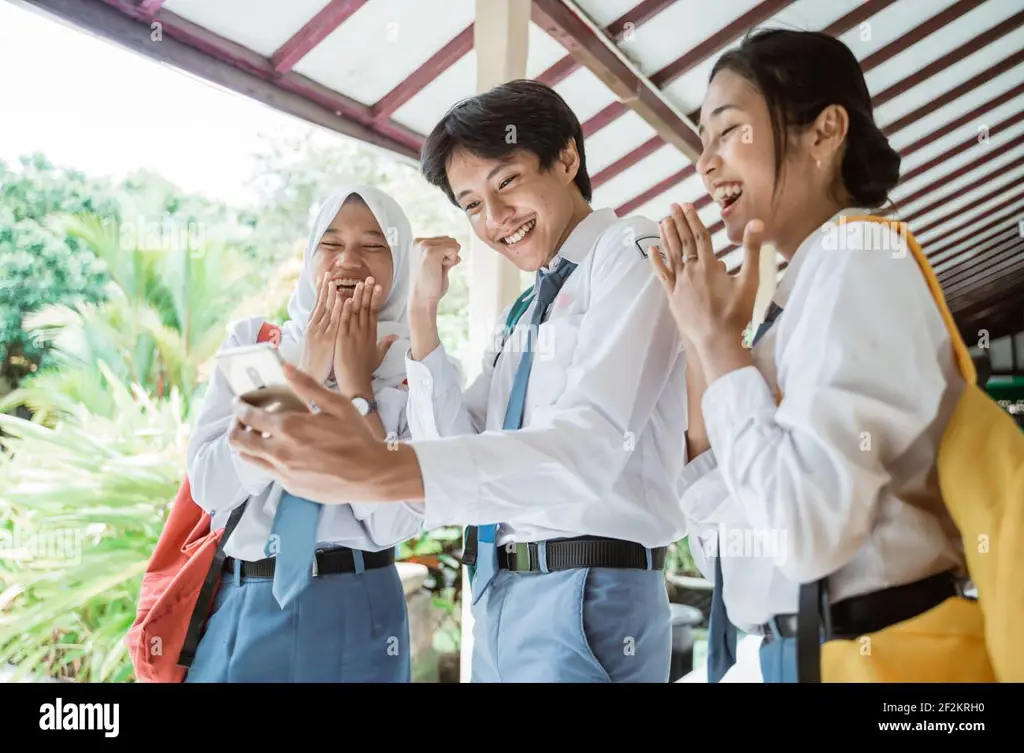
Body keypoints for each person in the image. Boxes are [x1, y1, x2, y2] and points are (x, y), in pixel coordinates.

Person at [227, 79, 690, 683]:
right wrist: (420, 316)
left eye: (506, 182)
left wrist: (365, 415)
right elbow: (220, 484)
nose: (495, 219)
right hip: (483, 591)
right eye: (471, 205)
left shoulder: (631, 252)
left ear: (568, 158)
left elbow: (585, 447)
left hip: (578, 587)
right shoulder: (253, 346)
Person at [648, 28, 968, 683]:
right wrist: (699, 338)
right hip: (798, 653)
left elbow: (802, 533)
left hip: (872, 655)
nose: (704, 163)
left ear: (824, 132)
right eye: (701, 141)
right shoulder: (800, 283)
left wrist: (717, 345)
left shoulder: (857, 261)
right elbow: (725, 532)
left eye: (727, 130)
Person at [184, 185, 424, 683]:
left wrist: (359, 391)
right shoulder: (257, 344)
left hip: (363, 605)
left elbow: (392, 524)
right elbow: (212, 488)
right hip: (249, 600)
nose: (348, 261)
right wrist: (306, 375)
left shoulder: (416, 366)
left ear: (399, 263)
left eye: (374, 246)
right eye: (331, 244)